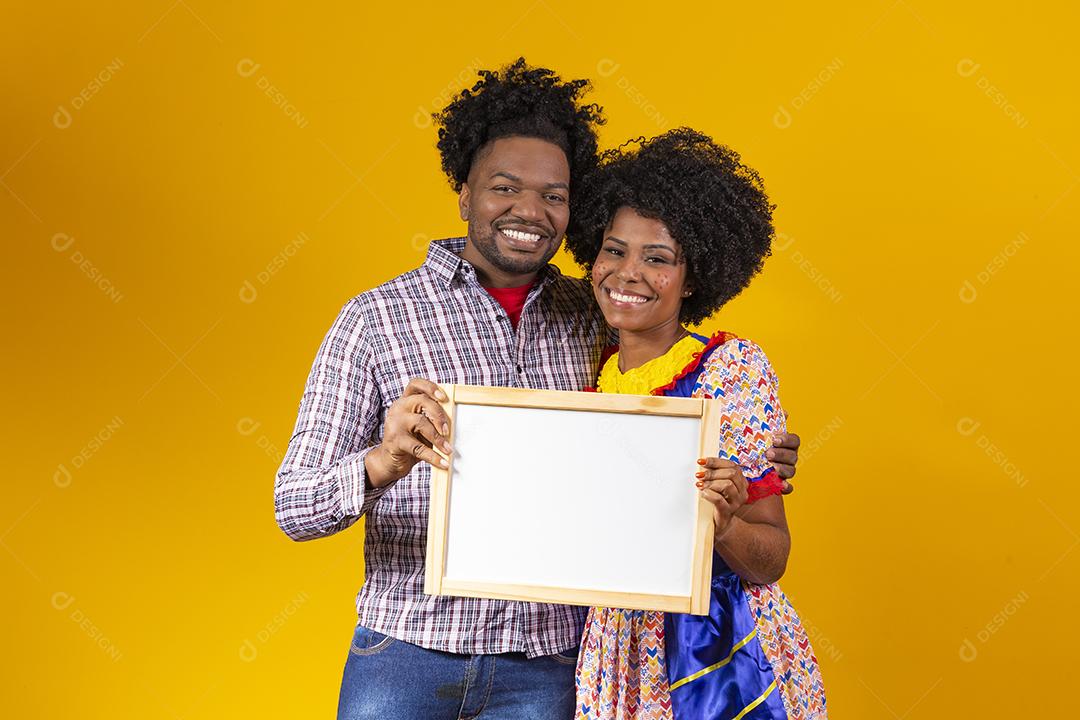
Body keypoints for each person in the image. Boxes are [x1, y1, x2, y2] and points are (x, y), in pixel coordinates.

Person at [274, 59, 804, 719]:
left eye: (553, 195)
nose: (529, 210)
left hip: (553, 669)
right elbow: (293, 507)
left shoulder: (596, 318)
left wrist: (760, 462)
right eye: (504, 187)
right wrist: (384, 463)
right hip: (406, 656)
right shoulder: (375, 320)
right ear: (464, 190)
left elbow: (676, 414)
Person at [565, 129, 826, 719]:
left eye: (657, 258)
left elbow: (771, 555)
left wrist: (725, 523)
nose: (627, 273)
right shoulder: (590, 370)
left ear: (694, 276)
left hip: (724, 645)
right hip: (616, 652)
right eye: (614, 250)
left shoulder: (728, 368)